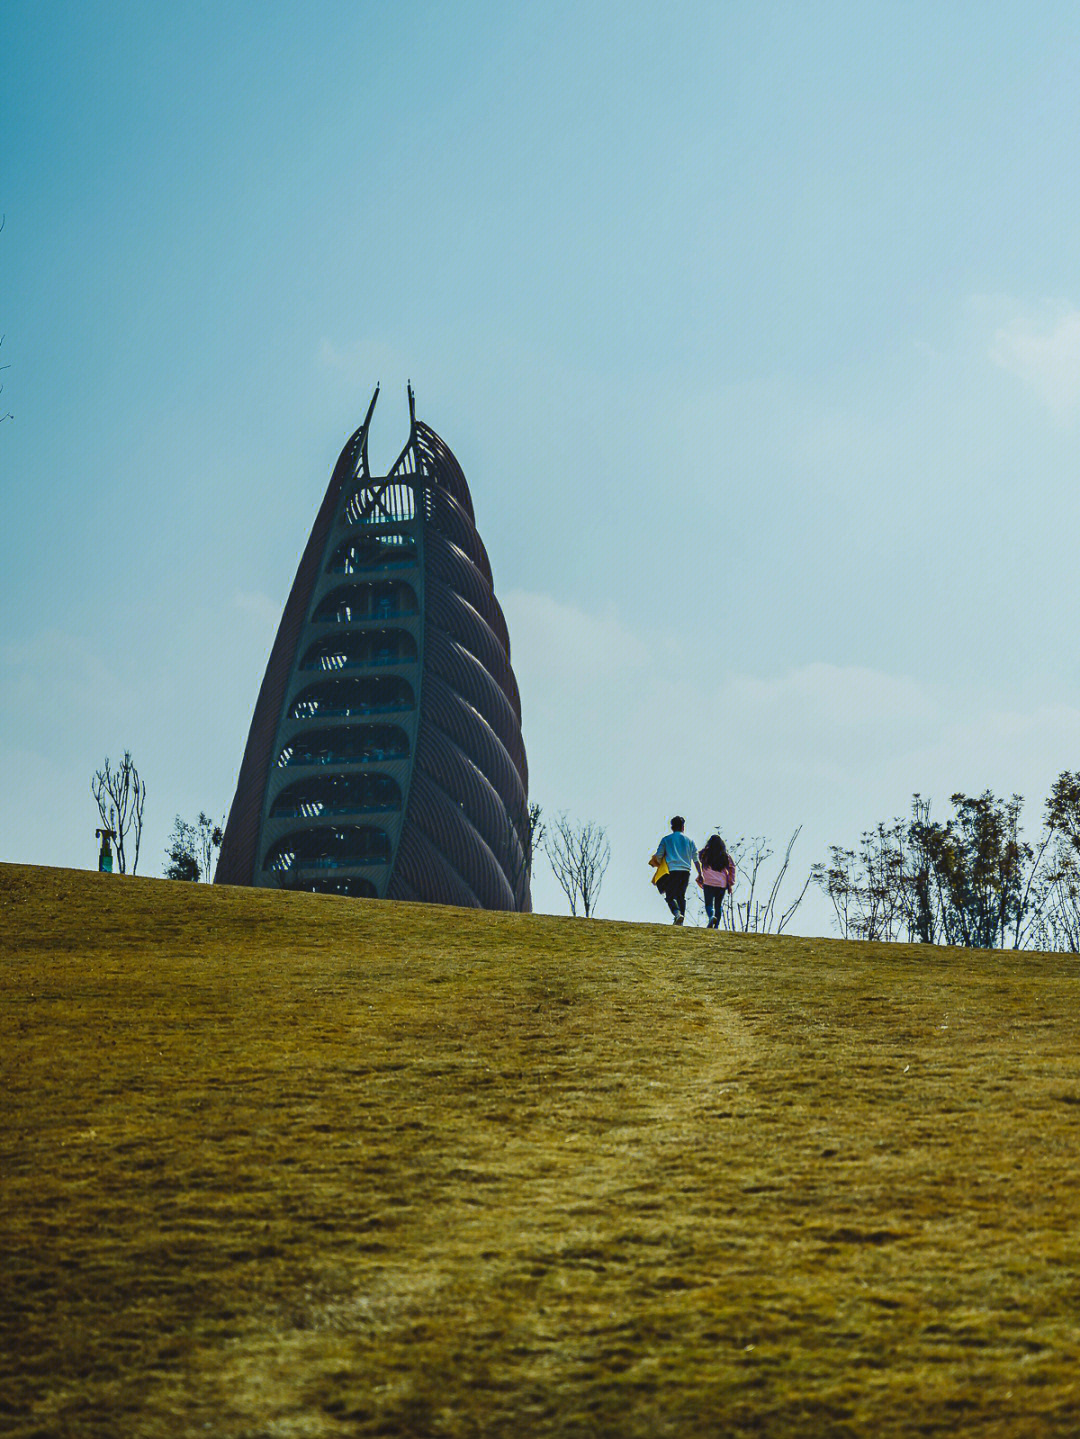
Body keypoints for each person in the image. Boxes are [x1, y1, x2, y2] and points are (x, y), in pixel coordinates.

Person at [650, 816, 702, 925]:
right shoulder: (690, 841)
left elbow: (659, 856)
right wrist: (700, 874)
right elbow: (696, 859)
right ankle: (680, 920)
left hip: (671, 870)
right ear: (683, 827)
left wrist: (657, 862)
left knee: (670, 895)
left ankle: (677, 914)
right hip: (686, 871)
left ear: (672, 827)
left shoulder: (666, 839)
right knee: (681, 896)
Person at [697, 834, 736, 929]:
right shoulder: (725, 856)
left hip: (708, 882)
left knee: (708, 904)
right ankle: (716, 926)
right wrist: (730, 883)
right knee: (718, 905)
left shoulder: (704, 854)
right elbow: (732, 868)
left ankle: (711, 917)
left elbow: (699, 858)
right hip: (721, 884)